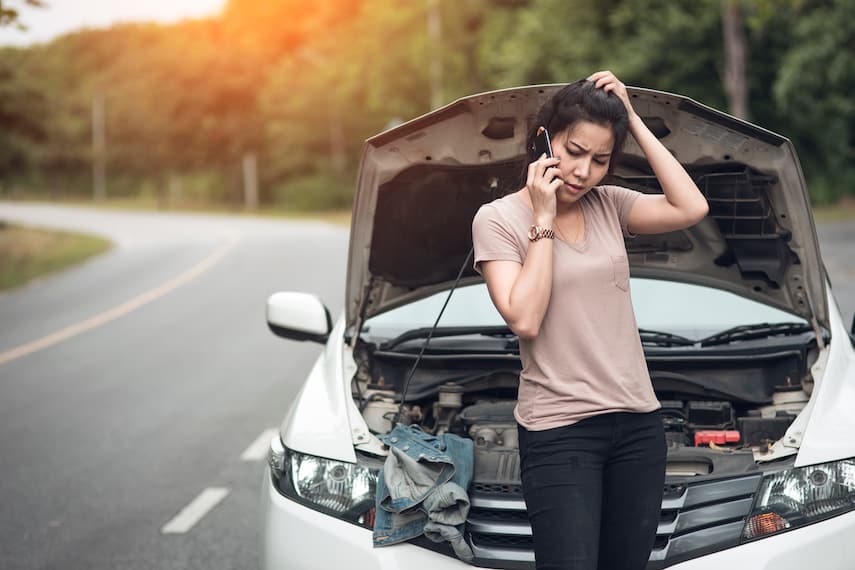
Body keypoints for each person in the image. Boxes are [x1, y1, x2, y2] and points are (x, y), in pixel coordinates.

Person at [470, 71, 709, 570]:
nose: (583, 172)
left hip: (638, 425)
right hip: (560, 431)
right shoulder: (497, 219)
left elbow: (691, 206)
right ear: (544, 140)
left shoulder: (610, 205)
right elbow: (525, 318)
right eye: (574, 151)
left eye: (600, 160)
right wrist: (543, 218)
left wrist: (633, 119)